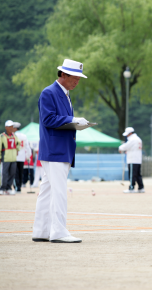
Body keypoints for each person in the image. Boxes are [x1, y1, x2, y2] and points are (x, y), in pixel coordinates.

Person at [32, 59, 89, 243]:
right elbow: (48, 119)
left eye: (79, 78)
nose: (77, 81)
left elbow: (54, 119)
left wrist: (74, 122)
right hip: (55, 149)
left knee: (47, 191)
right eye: (75, 77)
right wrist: (73, 120)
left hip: (58, 148)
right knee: (58, 192)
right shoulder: (50, 92)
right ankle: (59, 231)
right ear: (63, 74)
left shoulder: (63, 94)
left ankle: (40, 231)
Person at [119, 127, 144, 193]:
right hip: (138, 159)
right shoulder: (138, 139)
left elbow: (125, 146)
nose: (127, 136)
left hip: (133, 159)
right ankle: (141, 188)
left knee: (132, 175)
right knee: (138, 174)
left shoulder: (132, 139)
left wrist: (120, 147)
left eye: (127, 134)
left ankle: (131, 188)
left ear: (130, 133)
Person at [0, 120, 21, 195]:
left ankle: (8, 188)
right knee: (5, 173)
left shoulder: (14, 136)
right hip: (5, 157)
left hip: (13, 158)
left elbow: (18, 143)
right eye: (9, 126)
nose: (11, 128)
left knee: (12, 173)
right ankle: (2, 188)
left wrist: (18, 149)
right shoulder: (2, 136)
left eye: (12, 126)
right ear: (6, 127)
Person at [13, 122, 32, 193]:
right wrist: (28, 156)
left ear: (15, 128)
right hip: (22, 157)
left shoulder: (13, 135)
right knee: (21, 172)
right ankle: (19, 186)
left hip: (14, 156)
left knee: (15, 172)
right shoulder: (24, 136)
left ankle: (16, 187)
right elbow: (27, 147)